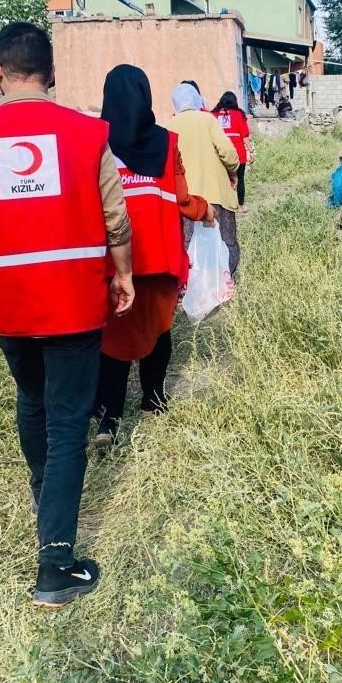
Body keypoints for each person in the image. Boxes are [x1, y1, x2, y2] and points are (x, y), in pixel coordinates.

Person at [0, 22, 135, 609]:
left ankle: (42, 491)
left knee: (32, 398)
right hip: (75, 298)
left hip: (10, 301)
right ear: (51, 72)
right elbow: (115, 216)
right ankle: (55, 563)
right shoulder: (86, 132)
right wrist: (122, 271)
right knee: (69, 421)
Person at [92, 65, 213, 449]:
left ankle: (108, 418)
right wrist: (205, 209)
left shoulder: (95, 142)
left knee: (111, 340)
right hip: (159, 258)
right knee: (159, 330)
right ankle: (153, 400)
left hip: (113, 261)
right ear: (146, 97)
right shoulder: (166, 141)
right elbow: (180, 198)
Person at [167, 83, 241, 274]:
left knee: (188, 245)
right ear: (197, 99)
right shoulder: (207, 120)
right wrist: (232, 171)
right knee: (226, 241)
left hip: (185, 201)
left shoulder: (168, 127)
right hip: (215, 194)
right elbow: (228, 153)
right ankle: (226, 283)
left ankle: (192, 287)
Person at [211, 91, 254, 213]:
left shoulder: (214, 114)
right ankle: (240, 205)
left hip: (219, 153)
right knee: (240, 178)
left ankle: (223, 205)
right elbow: (244, 136)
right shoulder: (239, 114)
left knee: (222, 179)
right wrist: (250, 151)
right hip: (238, 153)